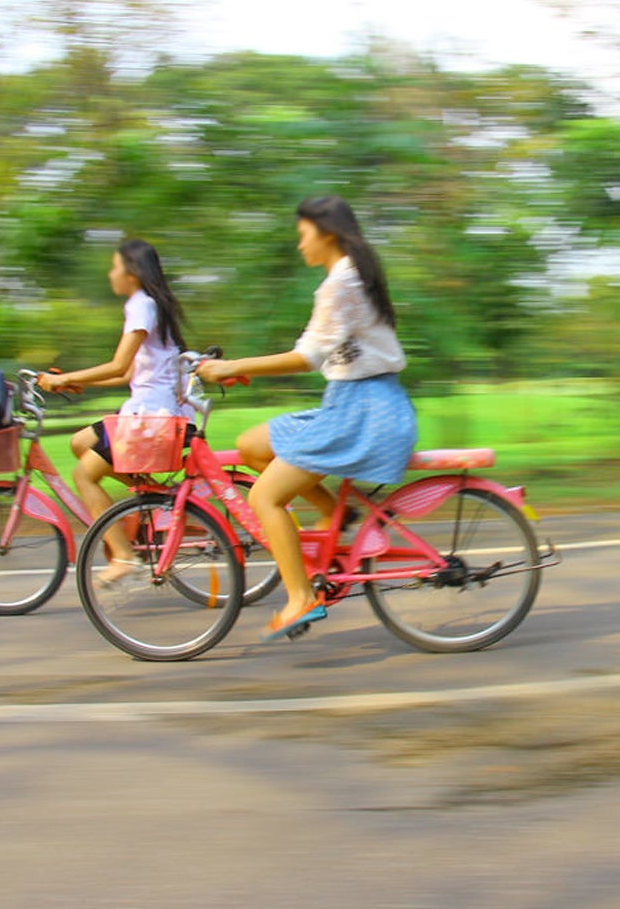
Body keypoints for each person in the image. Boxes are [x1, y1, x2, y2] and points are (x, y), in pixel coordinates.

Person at [198, 195, 417, 642]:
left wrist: (234, 366)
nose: (300, 246)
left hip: (364, 412)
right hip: (352, 403)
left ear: (326, 231)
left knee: (263, 499)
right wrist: (240, 369)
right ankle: (338, 513)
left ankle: (301, 598)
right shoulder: (347, 278)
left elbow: (307, 357)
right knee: (251, 445)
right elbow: (316, 349)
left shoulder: (343, 282)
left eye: (302, 235)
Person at [38, 238, 193, 582]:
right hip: (153, 412)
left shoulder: (141, 305)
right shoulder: (151, 304)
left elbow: (118, 363)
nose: (111, 274)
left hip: (152, 418)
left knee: (83, 475)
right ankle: (153, 499)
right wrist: (74, 383)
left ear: (132, 273)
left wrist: (66, 378)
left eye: (115, 267)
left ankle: (123, 556)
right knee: (80, 443)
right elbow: (129, 373)